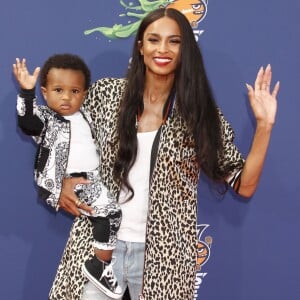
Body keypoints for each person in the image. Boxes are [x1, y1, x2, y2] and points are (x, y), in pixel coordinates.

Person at [30, 8, 278, 300]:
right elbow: (57, 129)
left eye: (174, 41)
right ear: (140, 46)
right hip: (99, 250)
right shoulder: (107, 94)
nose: (162, 49)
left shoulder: (200, 116)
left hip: (164, 260)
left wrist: (264, 125)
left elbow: (244, 184)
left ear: (186, 48)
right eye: (153, 39)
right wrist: (56, 184)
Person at [13, 54, 123, 299]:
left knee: (110, 215)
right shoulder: (47, 119)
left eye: (74, 91)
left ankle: (101, 262)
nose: (66, 97)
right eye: (58, 90)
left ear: (84, 94)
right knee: (111, 212)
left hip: (94, 179)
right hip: (75, 183)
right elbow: (28, 122)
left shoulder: (85, 116)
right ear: (45, 92)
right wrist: (26, 92)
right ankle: (100, 264)